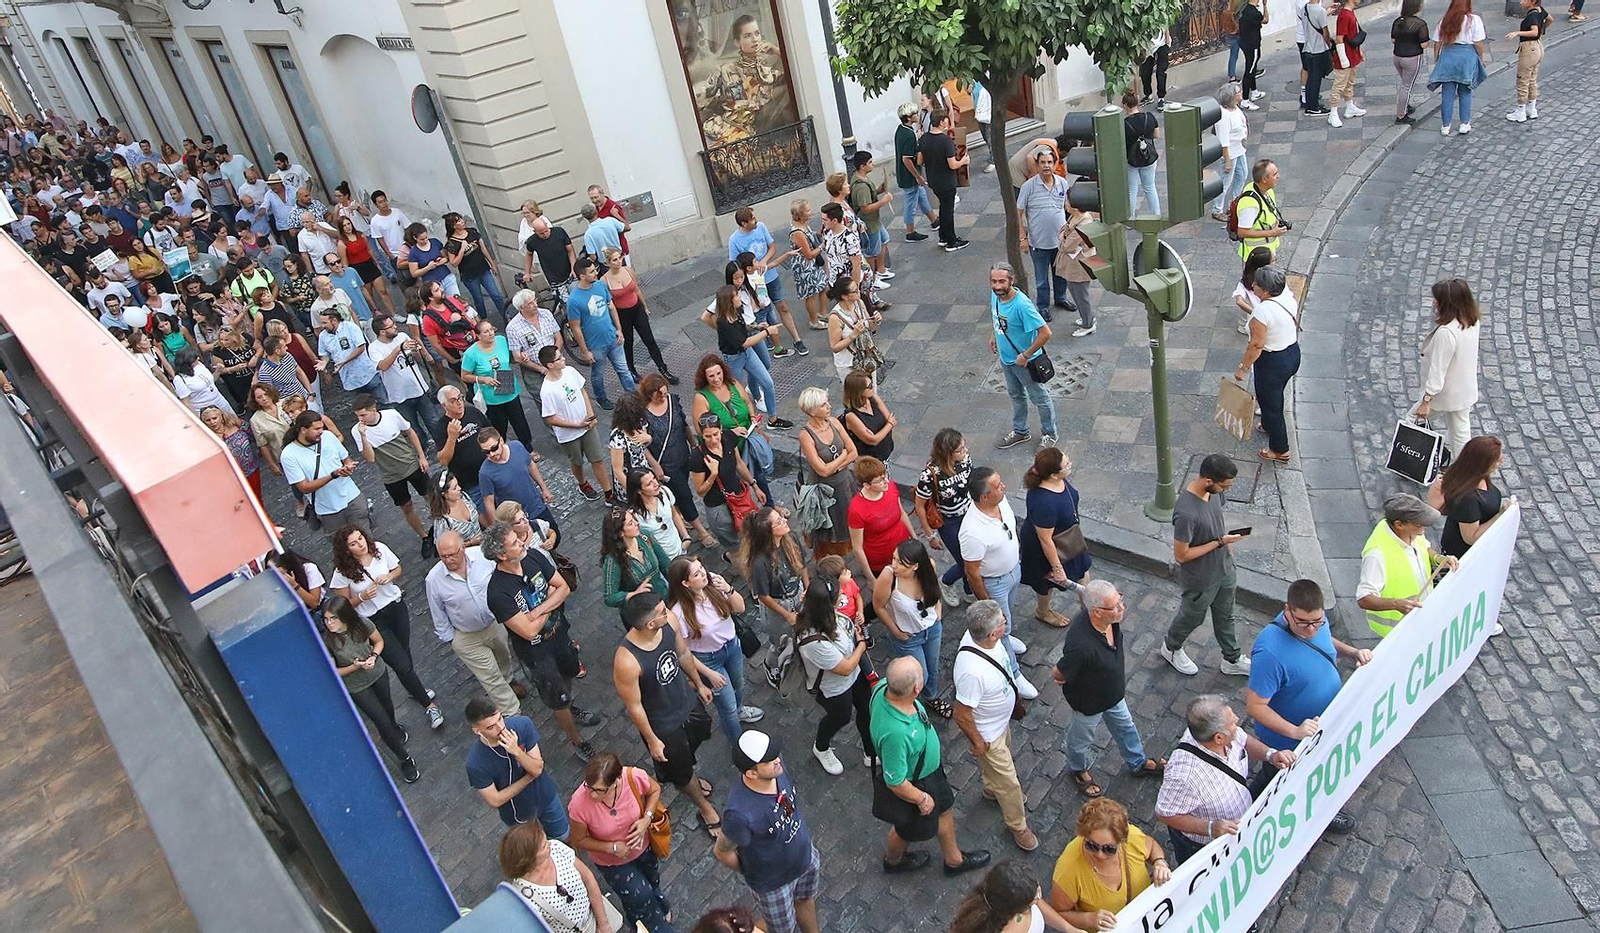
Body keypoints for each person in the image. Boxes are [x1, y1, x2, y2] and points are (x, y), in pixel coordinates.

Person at [1246, 579, 1372, 831]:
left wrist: (1352, 652)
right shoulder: (1269, 652)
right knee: (1278, 778)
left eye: (1317, 622)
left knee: (1320, 771)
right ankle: (1252, 811)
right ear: (1287, 611)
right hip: (1290, 742)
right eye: (1303, 623)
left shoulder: (1315, 624)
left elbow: (1326, 640)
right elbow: (1255, 706)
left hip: (1321, 726)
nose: (1311, 629)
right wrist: (1294, 731)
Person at [614, 593, 722, 838]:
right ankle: (705, 808)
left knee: (694, 743)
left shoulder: (669, 622)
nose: (668, 612)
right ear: (650, 624)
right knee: (680, 773)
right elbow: (635, 706)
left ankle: (688, 774)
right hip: (664, 725)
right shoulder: (627, 660)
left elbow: (683, 654)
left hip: (688, 704)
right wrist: (652, 740)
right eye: (662, 611)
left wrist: (699, 684)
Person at [870, 656, 991, 876]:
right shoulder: (896, 733)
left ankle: (954, 860)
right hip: (918, 782)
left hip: (929, 772)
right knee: (905, 829)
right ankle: (893, 861)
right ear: (917, 689)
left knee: (944, 810)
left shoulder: (882, 688)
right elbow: (895, 780)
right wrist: (922, 798)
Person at [1055, 580, 1166, 799]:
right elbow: (1059, 673)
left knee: (1126, 727)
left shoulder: (1110, 620)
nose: (1122, 608)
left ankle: (1138, 762)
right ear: (1096, 612)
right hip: (1089, 702)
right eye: (1115, 606)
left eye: (1120, 601)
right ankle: (1078, 769)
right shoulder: (1081, 646)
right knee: (1081, 740)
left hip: (1113, 693)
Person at [1155, 695, 1297, 865]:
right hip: (1205, 846)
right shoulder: (1184, 776)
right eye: (1232, 722)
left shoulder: (1223, 733)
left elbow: (1245, 742)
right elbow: (1166, 813)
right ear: (1219, 739)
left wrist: (1271, 755)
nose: (1237, 719)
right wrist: (1211, 828)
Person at [329, 524, 444, 727]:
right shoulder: (342, 572)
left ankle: (413, 687)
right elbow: (342, 606)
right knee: (401, 664)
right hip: (373, 620)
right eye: (353, 543)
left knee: (404, 651)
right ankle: (429, 706)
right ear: (346, 549)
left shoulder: (379, 549)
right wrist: (362, 597)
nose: (360, 544)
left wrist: (390, 577)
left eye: (360, 538)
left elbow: (397, 568)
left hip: (396, 608)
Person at [714, 731, 824, 933]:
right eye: (768, 760)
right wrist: (753, 871)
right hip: (774, 884)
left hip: (804, 857)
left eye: (774, 754)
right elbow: (722, 851)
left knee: (805, 900)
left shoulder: (776, 767)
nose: (776, 760)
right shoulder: (739, 813)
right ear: (751, 773)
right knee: (782, 929)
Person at [952, 600, 1040, 851]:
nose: (1006, 623)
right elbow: (961, 713)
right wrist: (979, 742)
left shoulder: (986, 639)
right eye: (1003, 621)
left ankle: (991, 789)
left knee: (1000, 771)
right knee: (1010, 783)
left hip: (1001, 724)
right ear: (993, 633)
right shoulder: (971, 672)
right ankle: (1017, 825)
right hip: (989, 734)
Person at [1160, 453, 1251, 676]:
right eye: (1225, 486)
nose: (1227, 490)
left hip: (1224, 569)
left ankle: (1232, 659)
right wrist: (1220, 542)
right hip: (1201, 580)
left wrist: (1227, 549)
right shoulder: (1186, 513)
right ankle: (1171, 647)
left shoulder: (1214, 494)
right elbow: (1181, 555)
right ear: (1209, 481)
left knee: (1226, 615)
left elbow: (1216, 523)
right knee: (1191, 618)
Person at [567, 753, 675, 933]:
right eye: (589, 786)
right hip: (612, 862)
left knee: (652, 880)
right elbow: (579, 840)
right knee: (639, 895)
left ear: (617, 781)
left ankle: (651, 908)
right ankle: (655, 925)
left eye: (600, 790)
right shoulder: (579, 804)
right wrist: (612, 847)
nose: (592, 794)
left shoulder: (633, 776)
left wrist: (646, 820)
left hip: (643, 847)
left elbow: (654, 790)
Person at [319, 596, 421, 783]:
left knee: (388, 708)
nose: (329, 623)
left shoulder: (362, 624)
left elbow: (379, 642)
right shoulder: (328, 641)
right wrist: (355, 667)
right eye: (326, 619)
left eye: (333, 618)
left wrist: (374, 656)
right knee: (380, 720)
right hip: (357, 686)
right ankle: (404, 758)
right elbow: (334, 671)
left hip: (377, 673)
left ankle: (394, 728)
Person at [426, 530, 525, 717]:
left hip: (495, 622)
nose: (447, 560)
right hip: (467, 635)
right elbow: (437, 612)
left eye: (452, 555)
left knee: (503, 656)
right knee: (490, 676)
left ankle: (509, 680)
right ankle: (513, 713)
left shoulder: (482, 557)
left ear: (463, 547)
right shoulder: (434, 580)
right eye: (442, 556)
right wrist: (453, 639)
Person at [668, 555, 762, 745]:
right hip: (708, 659)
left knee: (738, 684)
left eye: (701, 567)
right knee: (726, 706)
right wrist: (708, 674)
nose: (703, 573)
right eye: (697, 573)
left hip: (732, 646)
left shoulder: (712, 583)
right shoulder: (679, 613)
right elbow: (683, 652)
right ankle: (738, 744)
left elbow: (740, 608)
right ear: (685, 583)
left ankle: (740, 709)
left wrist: (729, 589)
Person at [1048, 798, 1172, 929]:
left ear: (1121, 842)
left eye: (1109, 849)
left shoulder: (1132, 838)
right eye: (1092, 846)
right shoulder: (1068, 869)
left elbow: (1151, 846)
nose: (1100, 855)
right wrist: (1088, 919)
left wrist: (1159, 862)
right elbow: (1059, 913)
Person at [796, 574, 875, 775]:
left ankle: (870, 750)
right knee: (840, 717)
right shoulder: (814, 641)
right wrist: (862, 645)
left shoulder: (829, 615)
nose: (842, 596)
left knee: (866, 709)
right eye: (838, 596)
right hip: (834, 688)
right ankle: (821, 747)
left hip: (854, 675)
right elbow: (845, 667)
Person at [465, 697, 570, 838]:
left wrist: (517, 751)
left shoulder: (522, 725)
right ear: (477, 731)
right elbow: (494, 800)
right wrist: (527, 779)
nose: (500, 727)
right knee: (533, 850)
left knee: (563, 835)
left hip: (545, 797)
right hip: (518, 815)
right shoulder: (476, 763)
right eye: (491, 727)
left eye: (500, 718)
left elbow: (537, 768)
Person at [1358, 493, 1459, 637]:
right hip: (1397, 631)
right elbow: (1363, 598)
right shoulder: (1377, 555)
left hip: (1420, 617)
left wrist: (1439, 559)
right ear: (1399, 524)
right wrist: (1396, 604)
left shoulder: (1411, 531)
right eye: (1419, 524)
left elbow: (1424, 548)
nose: (1424, 527)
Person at [1234, 265, 1301, 462]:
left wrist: (1242, 368)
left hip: (1272, 362)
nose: (1253, 285)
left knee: (1271, 406)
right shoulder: (1287, 297)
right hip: (1292, 352)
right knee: (1273, 397)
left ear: (1266, 291)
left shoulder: (1262, 312)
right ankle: (1268, 425)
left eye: (1257, 284)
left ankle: (1280, 449)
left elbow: (1256, 345)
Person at [640, 373, 714, 547]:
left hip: (683, 455)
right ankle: (702, 532)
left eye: (665, 393)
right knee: (684, 494)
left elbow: (684, 425)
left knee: (679, 493)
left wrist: (694, 445)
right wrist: (655, 466)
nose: (663, 397)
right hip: (665, 464)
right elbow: (643, 446)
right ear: (650, 394)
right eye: (659, 395)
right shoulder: (643, 413)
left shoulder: (673, 401)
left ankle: (679, 515)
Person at [988, 262, 1056, 450]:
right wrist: (994, 334)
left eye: (1002, 281)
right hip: (1006, 359)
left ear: (1012, 280)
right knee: (1016, 395)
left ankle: (1050, 434)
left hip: (1025, 363)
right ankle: (1020, 431)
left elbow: (1046, 333)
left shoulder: (1022, 305)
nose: (997, 286)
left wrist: (1025, 355)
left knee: (1040, 399)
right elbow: (996, 317)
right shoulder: (995, 296)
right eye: (993, 281)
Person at [1019, 447, 1091, 628]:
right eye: (1066, 464)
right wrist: (1057, 567)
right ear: (1053, 475)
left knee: (1083, 574)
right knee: (1046, 584)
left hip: (1069, 539)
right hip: (1048, 548)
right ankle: (1043, 612)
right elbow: (1045, 539)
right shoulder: (1043, 502)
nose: (1070, 465)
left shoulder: (1059, 480)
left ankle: (1088, 611)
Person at [960, 467, 1028, 659]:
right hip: (995, 582)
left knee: (1007, 615)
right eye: (998, 486)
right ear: (984, 497)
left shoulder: (1000, 500)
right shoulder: (972, 532)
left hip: (1014, 570)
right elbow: (972, 572)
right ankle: (1012, 670)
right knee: (998, 624)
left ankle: (1007, 635)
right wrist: (987, 602)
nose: (1004, 487)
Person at [498, 822, 612, 933]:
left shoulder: (556, 848)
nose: (549, 844)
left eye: (545, 839)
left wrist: (603, 923)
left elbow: (588, 877)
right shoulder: (524, 897)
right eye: (543, 847)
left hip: (595, 914)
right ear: (529, 860)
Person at [1413, 277, 1481, 458]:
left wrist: (1426, 401)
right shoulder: (1472, 322)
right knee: (1460, 432)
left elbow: (1438, 370)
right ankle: (1463, 470)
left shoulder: (1446, 333)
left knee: (1412, 422)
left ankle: (1412, 460)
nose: (1434, 302)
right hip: (1464, 390)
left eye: (1437, 299)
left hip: (1443, 393)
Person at [351, 393, 431, 539]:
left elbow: (410, 431)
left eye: (363, 415)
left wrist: (421, 456)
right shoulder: (357, 431)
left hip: (411, 465)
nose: (360, 419)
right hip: (390, 476)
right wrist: (363, 436)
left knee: (430, 496)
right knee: (406, 507)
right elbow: (370, 458)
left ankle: (444, 524)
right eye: (357, 416)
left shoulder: (391, 415)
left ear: (373, 410)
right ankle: (424, 536)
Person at [727, 207, 805, 356]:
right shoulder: (734, 240)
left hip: (770, 277)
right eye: (752, 219)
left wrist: (763, 262)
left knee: (782, 307)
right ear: (744, 223)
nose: (756, 220)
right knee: (763, 316)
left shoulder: (761, 227)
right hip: (753, 285)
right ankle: (771, 341)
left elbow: (772, 248)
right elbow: (735, 266)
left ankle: (797, 339)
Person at [539, 345, 612, 502]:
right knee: (577, 461)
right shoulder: (547, 390)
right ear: (550, 365)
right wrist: (576, 425)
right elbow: (550, 418)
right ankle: (583, 483)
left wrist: (590, 414)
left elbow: (582, 390)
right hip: (569, 434)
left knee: (597, 458)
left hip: (587, 426)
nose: (564, 358)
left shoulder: (570, 371)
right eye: (559, 358)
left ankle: (608, 493)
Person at [281, 411, 372, 531]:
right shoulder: (288, 455)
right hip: (328, 510)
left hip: (353, 498)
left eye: (322, 427)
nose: (321, 431)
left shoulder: (328, 436)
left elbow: (346, 458)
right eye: (317, 429)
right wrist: (333, 475)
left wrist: (349, 467)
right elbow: (304, 487)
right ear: (303, 430)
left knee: (366, 538)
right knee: (342, 545)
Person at [740, 507, 808, 666]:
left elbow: (803, 565)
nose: (785, 520)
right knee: (781, 642)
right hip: (778, 604)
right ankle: (772, 666)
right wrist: (787, 615)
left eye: (781, 517)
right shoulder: (760, 562)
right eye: (779, 521)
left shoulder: (790, 538)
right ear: (768, 533)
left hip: (797, 593)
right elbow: (763, 596)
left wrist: (807, 588)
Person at [566, 257, 637, 410]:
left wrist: (619, 329)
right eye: (591, 272)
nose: (596, 273)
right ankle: (601, 398)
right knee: (598, 374)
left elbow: (611, 306)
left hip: (612, 338)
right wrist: (585, 351)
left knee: (624, 370)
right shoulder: (574, 300)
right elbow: (576, 327)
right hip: (595, 345)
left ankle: (634, 398)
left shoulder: (600, 285)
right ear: (582, 276)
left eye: (595, 269)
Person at [602, 246, 676, 384]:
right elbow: (609, 304)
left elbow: (636, 290)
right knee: (628, 344)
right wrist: (616, 326)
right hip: (622, 314)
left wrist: (645, 307)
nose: (618, 262)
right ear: (608, 263)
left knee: (649, 340)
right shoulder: (604, 281)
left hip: (637, 310)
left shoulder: (628, 270)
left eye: (620, 258)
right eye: (614, 260)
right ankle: (631, 370)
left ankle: (663, 369)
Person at [914, 429, 973, 605]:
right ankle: (946, 581)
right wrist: (930, 535)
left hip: (970, 515)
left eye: (964, 447)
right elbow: (920, 505)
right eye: (959, 450)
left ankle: (969, 590)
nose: (965, 452)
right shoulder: (930, 475)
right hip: (949, 522)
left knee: (974, 556)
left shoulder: (965, 460)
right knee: (965, 561)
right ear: (947, 452)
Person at [691, 412, 762, 554]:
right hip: (718, 507)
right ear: (702, 436)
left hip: (738, 497)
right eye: (707, 436)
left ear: (721, 429)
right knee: (736, 547)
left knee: (752, 533)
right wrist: (713, 474)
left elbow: (739, 464)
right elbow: (700, 492)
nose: (713, 440)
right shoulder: (697, 457)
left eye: (716, 434)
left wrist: (754, 485)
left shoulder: (728, 437)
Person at [368, 314, 439, 449]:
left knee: (433, 420)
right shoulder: (374, 348)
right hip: (399, 395)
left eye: (394, 323)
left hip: (418, 388)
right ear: (382, 332)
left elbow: (417, 358)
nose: (396, 327)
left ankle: (441, 442)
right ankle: (423, 447)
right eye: (391, 326)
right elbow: (382, 366)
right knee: (412, 426)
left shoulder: (402, 336)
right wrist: (398, 349)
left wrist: (416, 351)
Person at [951, 860, 1080, 933]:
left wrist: (1069, 929)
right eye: (1034, 898)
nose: (1039, 896)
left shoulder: (1022, 899)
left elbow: (1039, 906)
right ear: (1015, 909)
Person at [1438, 435, 1513, 561]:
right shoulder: (1467, 499)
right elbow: (1471, 537)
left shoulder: (1477, 478)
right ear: (1483, 464)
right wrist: (1500, 515)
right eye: (1497, 460)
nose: (1502, 461)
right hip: (1465, 558)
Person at [1016, 144, 1071, 315]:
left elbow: (1069, 208)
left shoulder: (1062, 183)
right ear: (1037, 165)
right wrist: (1022, 238)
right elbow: (1018, 213)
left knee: (1061, 274)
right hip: (1038, 243)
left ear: (1055, 164)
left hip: (1060, 242)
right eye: (1042, 162)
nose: (1046, 165)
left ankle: (1061, 298)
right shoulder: (1029, 187)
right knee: (1041, 280)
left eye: (1049, 162)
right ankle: (1043, 307)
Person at [461, 319, 533, 447]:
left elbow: (511, 358)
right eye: (486, 331)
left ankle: (528, 447)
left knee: (519, 420)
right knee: (499, 425)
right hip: (491, 396)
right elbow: (465, 376)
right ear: (478, 336)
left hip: (509, 386)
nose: (490, 333)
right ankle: (501, 448)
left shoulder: (501, 340)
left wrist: (521, 355)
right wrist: (483, 379)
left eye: (491, 329)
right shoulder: (471, 354)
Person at [1428, 0, 1489, 135]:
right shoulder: (1474, 20)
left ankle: (1445, 126)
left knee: (1447, 94)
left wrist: (1437, 59)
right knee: (1465, 92)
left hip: (1448, 56)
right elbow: (1478, 43)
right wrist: (1482, 58)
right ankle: (1464, 123)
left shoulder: (1444, 20)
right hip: (1466, 57)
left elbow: (1437, 43)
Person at [476, 425, 557, 526]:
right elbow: (489, 503)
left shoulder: (517, 446)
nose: (491, 454)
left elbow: (531, 465)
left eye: (494, 448)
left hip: (536, 506)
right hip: (515, 520)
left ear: (501, 440)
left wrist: (544, 488)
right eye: (486, 452)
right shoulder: (485, 473)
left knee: (554, 534)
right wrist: (499, 528)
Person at [849, 456, 914, 581]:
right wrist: (871, 579)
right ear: (867, 485)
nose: (886, 482)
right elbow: (857, 548)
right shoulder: (856, 510)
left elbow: (902, 514)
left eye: (885, 476)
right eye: (879, 480)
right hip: (880, 559)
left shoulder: (891, 487)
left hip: (903, 547)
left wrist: (914, 538)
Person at [601, 505, 671, 617]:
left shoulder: (644, 536)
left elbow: (665, 564)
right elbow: (609, 597)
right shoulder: (613, 560)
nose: (636, 523)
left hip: (664, 598)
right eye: (630, 523)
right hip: (642, 612)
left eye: (634, 519)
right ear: (620, 533)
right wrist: (633, 594)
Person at [434, 383, 494, 514]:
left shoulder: (472, 411)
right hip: (472, 483)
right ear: (444, 405)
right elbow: (444, 461)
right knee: (490, 517)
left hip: (492, 471)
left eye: (460, 398)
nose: (459, 403)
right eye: (453, 401)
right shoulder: (440, 428)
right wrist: (452, 437)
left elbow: (490, 431)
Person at [917, 109, 969, 251]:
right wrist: (963, 161)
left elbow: (920, 160)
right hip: (947, 181)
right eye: (945, 120)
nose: (947, 122)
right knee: (948, 211)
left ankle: (943, 237)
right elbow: (952, 165)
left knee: (943, 207)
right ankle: (951, 241)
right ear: (941, 122)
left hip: (933, 180)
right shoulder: (946, 141)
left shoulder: (925, 138)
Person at [848, 151, 894, 293]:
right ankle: (872, 279)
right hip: (869, 222)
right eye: (870, 163)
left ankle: (881, 270)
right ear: (862, 166)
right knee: (871, 252)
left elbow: (869, 195)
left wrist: (879, 190)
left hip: (875, 221)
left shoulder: (863, 180)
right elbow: (866, 208)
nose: (872, 164)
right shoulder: (860, 185)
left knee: (884, 239)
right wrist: (883, 201)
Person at [893, 102, 939, 242]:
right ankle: (910, 232)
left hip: (906, 174)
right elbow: (906, 159)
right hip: (909, 176)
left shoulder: (901, 130)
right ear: (908, 117)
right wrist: (918, 176)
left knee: (921, 195)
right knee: (910, 203)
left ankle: (934, 220)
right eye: (915, 114)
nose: (918, 115)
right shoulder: (908, 135)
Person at [825, 275, 882, 387]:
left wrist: (875, 320)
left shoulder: (859, 303)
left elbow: (871, 329)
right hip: (848, 364)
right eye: (855, 291)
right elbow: (835, 347)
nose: (859, 292)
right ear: (845, 296)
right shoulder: (835, 318)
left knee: (872, 393)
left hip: (866, 357)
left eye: (858, 289)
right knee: (857, 400)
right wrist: (853, 334)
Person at [316, 309, 385, 401]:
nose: (322, 326)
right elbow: (324, 354)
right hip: (350, 381)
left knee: (384, 402)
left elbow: (361, 347)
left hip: (367, 375)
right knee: (362, 408)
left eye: (324, 322)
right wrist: (324, 362)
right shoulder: (323, 336)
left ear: (334, 321)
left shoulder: (351, 327)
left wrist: (344, 361)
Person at [200, 405, 262, 503]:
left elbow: (255, 436)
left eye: (214, 418)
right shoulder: (207, 439)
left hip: (251, 469)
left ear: (221, 416)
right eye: (208, 420)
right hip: (232, 478)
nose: (212, 422)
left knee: (257, 499)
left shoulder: (236, 424)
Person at [1233, 160, 1287, 263]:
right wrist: (1271, 232)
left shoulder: (1267, 191)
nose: (1278, 176)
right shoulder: (1250, 204)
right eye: (1275, 174)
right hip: (1256, 257)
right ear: (1265, 179)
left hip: (1267, 252)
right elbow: (1242, 232)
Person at [785, 200, 829, 330]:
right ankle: (814, 321)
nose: (811, 212)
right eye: (808, 211)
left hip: (812, 265)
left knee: (823, 287)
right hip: (805, 267)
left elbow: (810, 236)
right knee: (810, 294)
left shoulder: (803, 225)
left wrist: (818, 234)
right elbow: (809, 254)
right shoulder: (798, 232)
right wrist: (822, 246)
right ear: (800, 214)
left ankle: (822, 313)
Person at [1210, 85, 1251, 225]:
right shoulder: (1224, 117)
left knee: (1242, 174)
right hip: (1231, 154)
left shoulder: (1235, 108)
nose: (1241, 93)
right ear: (1232, 97)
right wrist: (1227, 161)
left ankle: (1234, 203)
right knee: (1225, 182)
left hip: (1239, 150)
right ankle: (1217, 210)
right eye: (1239, 92)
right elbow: (1223, 142)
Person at [629, 469, 688, 561]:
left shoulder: (665, 492)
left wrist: (685, 537)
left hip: (679, 549)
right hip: (661, 559)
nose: (656, 484)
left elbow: (674, 514)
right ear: (639, 491)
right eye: (649, 484)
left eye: (654, 478)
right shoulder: (634, 515)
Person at [1328, 0, 1368, 127]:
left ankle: (1349, 107)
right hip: (1345, 57)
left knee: (1350, 82)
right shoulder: (1344, 15)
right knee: (1339, 85)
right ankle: (1333, 113)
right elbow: (1339, 38)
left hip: (1351, 55)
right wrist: (1344, 59)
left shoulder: (1350, 12)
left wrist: (1359, 51)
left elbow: (1353, 34)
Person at [841, 371, 895, 463]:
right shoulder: (851, 416)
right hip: (871, 461)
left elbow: (890, 418)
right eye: (869, 386)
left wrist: (886, 427)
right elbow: (873, 441)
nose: (873, 387)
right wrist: (889, 425)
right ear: (859, 391)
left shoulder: (872, 398)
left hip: (885, 452)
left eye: (872, 384)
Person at [1122, 90, 1161, 217]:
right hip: (1148, 157)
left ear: (1125, 105)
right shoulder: (1149, 117)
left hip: (1131, 160)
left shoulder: (1124, 124)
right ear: (1138, 103)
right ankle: (1156, 215)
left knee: (1132, 190)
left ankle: (1131, 218)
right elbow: (1156, 135)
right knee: (1150, 187)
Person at [1392, 0, 1431, 123]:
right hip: (1412, 58)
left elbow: (1393, 40)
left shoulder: (1398, 21)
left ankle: (1405, 106)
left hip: (1397, 57)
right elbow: (1424, 45)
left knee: (1404, 84)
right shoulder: (1420, 24)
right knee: (1406, 87)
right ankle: (1401, 115)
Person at [171, 347, 233, 416]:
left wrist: (218, 371)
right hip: (205, 410)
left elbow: (210, 381)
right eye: (195, 358)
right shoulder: (179, 379)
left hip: (219, 400)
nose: (198, 359)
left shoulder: (199, 365)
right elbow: (186, 402)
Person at [1300, 0, 1335, 116]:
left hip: (1308, 48)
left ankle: (1310, 104)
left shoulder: (1305, 8)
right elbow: (1325, 32)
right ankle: (1313, 107)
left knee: (1311, 78)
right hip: (1318, 49)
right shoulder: (1320, 11)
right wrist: (1329, 43)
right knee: (1316, 79)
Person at [1238, 0, 1268, 109]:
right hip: (1252, 45)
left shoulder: (1244, 9)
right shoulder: (1255, 13)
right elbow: (1265, 20)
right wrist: (1265, 6)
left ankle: (1254, 92)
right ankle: (1245, 100)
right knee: (1249, 71)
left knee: (1253, 67)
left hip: (1244, 42)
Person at [1138, 28, 1173, 106]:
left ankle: (1161, 98)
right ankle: (1148, 96)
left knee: (1160, 72)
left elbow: (1165, 22)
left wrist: (1167, 40)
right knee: (1145, 72)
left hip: (1162, 44)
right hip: (1148, 46)